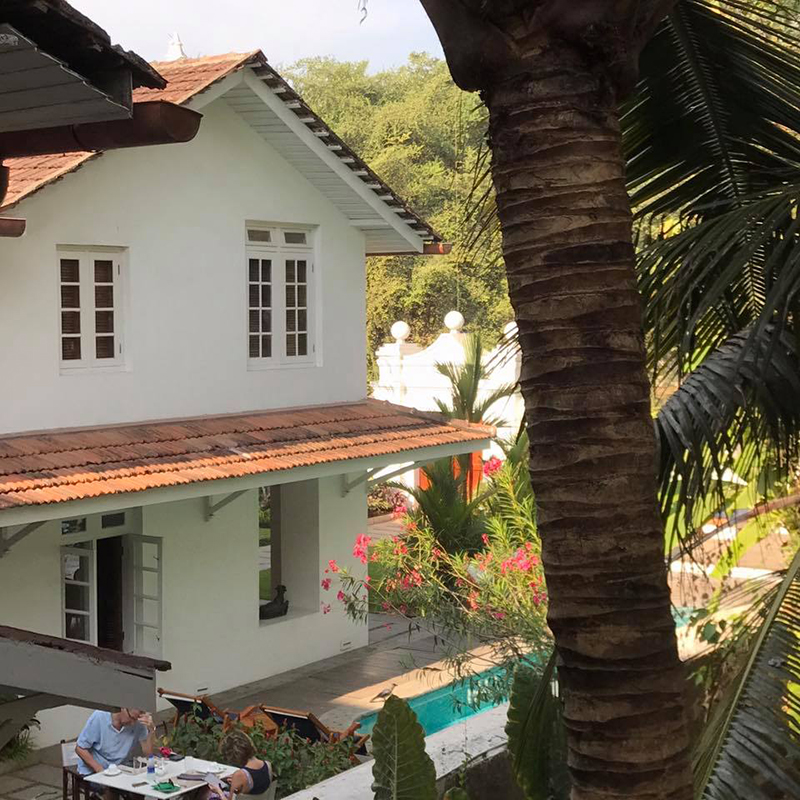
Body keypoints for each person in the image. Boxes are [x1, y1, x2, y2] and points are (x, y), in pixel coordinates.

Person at [75, 707, 156, 775]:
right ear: (123, 708)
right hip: (94, 769)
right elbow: (80, 748)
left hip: (120, 768)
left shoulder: (138, 722)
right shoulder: (100, 716)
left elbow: (148, 754)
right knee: (111, 790)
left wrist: (151, 730)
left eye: (136, 720)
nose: (133, 723)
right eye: (132, 718)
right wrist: (100, 770)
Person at [206, 730, 272, 799]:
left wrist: (219, 791)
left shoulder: (240, 775)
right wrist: (235, 781)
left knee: (204, 792)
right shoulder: (268, 765)